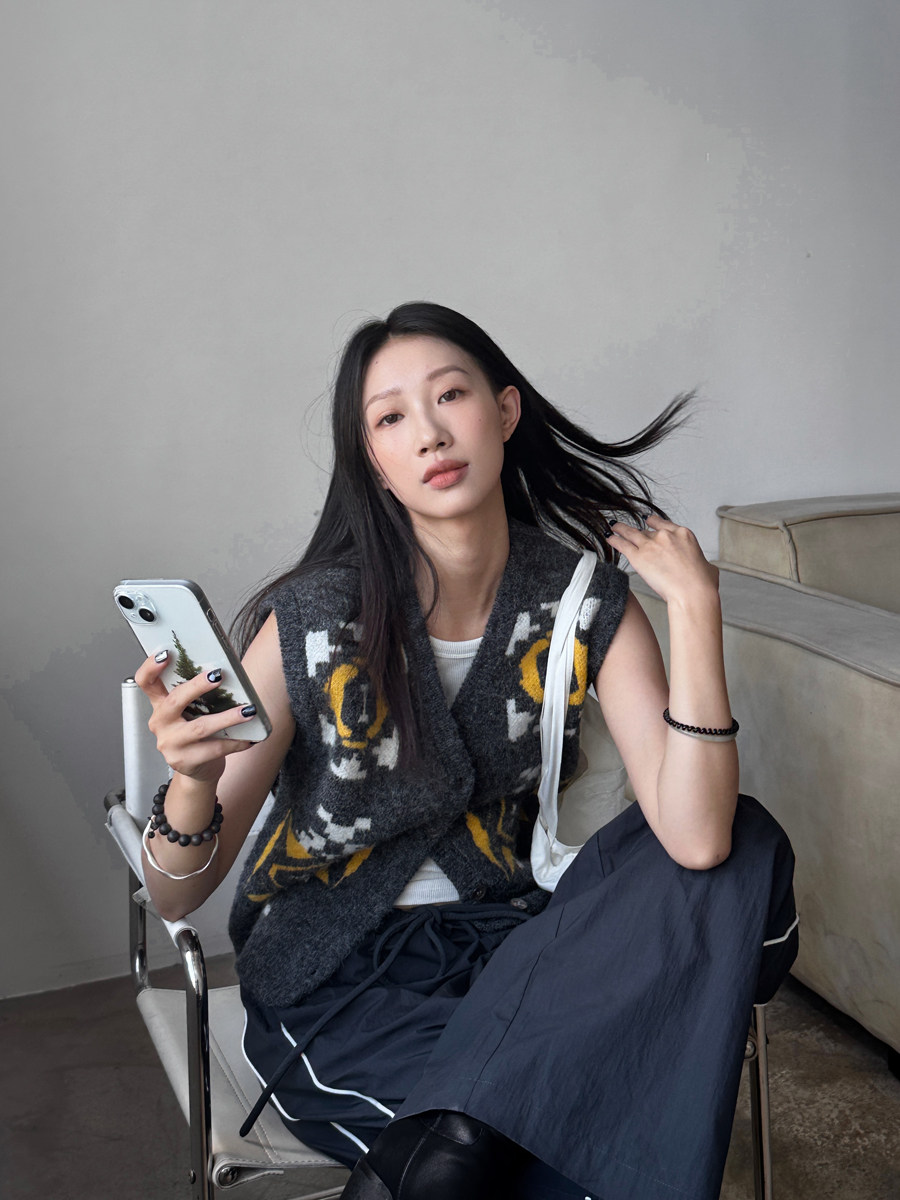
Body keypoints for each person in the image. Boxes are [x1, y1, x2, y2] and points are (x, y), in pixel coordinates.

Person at [135, 302, 797, 1200]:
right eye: (391, 418)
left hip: (519, 960)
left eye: (451, 396)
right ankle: (466, 1134)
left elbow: (697, 840)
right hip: (341, 979)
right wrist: (191, 781)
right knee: (565, 1149)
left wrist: (696, 610)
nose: (430, 434)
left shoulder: (582, 603)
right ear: (372, 457)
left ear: (505, 411)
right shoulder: (313, 618)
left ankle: (453, 1142)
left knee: (743, 838)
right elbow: (178, 894)